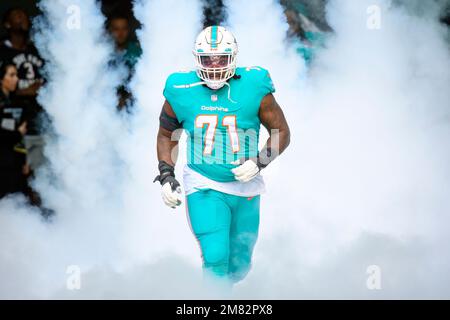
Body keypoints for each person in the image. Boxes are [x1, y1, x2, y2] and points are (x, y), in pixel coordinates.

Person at [154, 26, 291, 285]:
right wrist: (166, 174)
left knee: (240, 266)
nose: (215, 65)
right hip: (204, 183)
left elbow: (281, 131)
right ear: (197, 59)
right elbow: (167, 134)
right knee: (216, 257)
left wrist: (260, 161)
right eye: (207, 59)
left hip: (245, 186)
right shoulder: (180, 88)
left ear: (234, 57)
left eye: (221, 58)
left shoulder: (254, 85)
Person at [0, 7, 46, 178]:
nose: (21, 18)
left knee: (36, 168)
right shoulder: (2, 51)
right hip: (9, 118)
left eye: (24, 15)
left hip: (34, 118)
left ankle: (34, 193)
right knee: (12, 168)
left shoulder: (37, 50)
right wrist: (22, 92)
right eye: (16, 15)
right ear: (7, 24)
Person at [0, 61, 27, 198]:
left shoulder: (16, 100)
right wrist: (18, 133)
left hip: (13, 160)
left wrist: (28, 161)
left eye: (16, 75)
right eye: (12, 75)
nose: (16, 79)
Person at [106, 14, 142, 110]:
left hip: (133, 103)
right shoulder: (103, 52)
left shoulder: (136, 51)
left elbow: (142, 80)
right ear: (110, 30)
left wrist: (126, 97)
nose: (120, 33)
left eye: (124, 28)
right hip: (107, 103)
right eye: (116, 29)